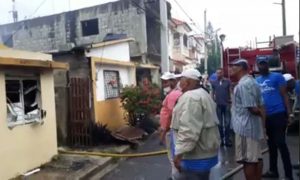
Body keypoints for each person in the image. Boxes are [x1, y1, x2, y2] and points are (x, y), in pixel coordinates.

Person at [170, 69, 220, 180]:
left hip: (194, 158)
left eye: (181, 79)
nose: (179, 83)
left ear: (187, 82)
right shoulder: (202, 93)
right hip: (203, 155)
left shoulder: (191, 98)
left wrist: (179, 155)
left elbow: (189, 130)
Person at [256, 56, 293, 180]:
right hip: (266, 116)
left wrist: (289, 114)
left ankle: (288, 175)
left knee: (281, 144)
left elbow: (285, 96)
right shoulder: (256, 81)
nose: (262, 66)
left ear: (268, 65)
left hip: (278, 113)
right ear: (257, 66)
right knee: (271, 145)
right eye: (260, 64)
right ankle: (273, 171)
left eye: (264, 64)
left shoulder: (277, 77)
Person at [230, 59, 265, 180]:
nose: (231, 68)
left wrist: (260, 113)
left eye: (233, 66)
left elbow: (252, 108)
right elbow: (261, 104)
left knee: (248, 160)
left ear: (241, 68)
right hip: (253, 127)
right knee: (256, 157)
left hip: (245, 128)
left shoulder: (243, 85)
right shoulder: (253, 82)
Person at [159, 72, 182, 180]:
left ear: (173, 81)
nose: (164, 84)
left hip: (170, 130)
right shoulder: (174, 93)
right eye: (163, 82)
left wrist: (163, 132)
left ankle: (175, 177)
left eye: (166, 82)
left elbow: (171, 115)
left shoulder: (173, 95)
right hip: (173, 129)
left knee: (173, 156)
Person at [211, 68, 232, 147]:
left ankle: (227, 140)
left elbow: (230, 91)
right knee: (219, 124)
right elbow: (212, 93)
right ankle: (221, 140)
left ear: (223, 73)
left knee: (227, 123)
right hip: (218, 105)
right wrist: (212, 101)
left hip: (226, 104)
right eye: (217, 73)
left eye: (220, 73)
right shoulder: (214, 82)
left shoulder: (227, 81)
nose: (218, 74)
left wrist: (231, 100)